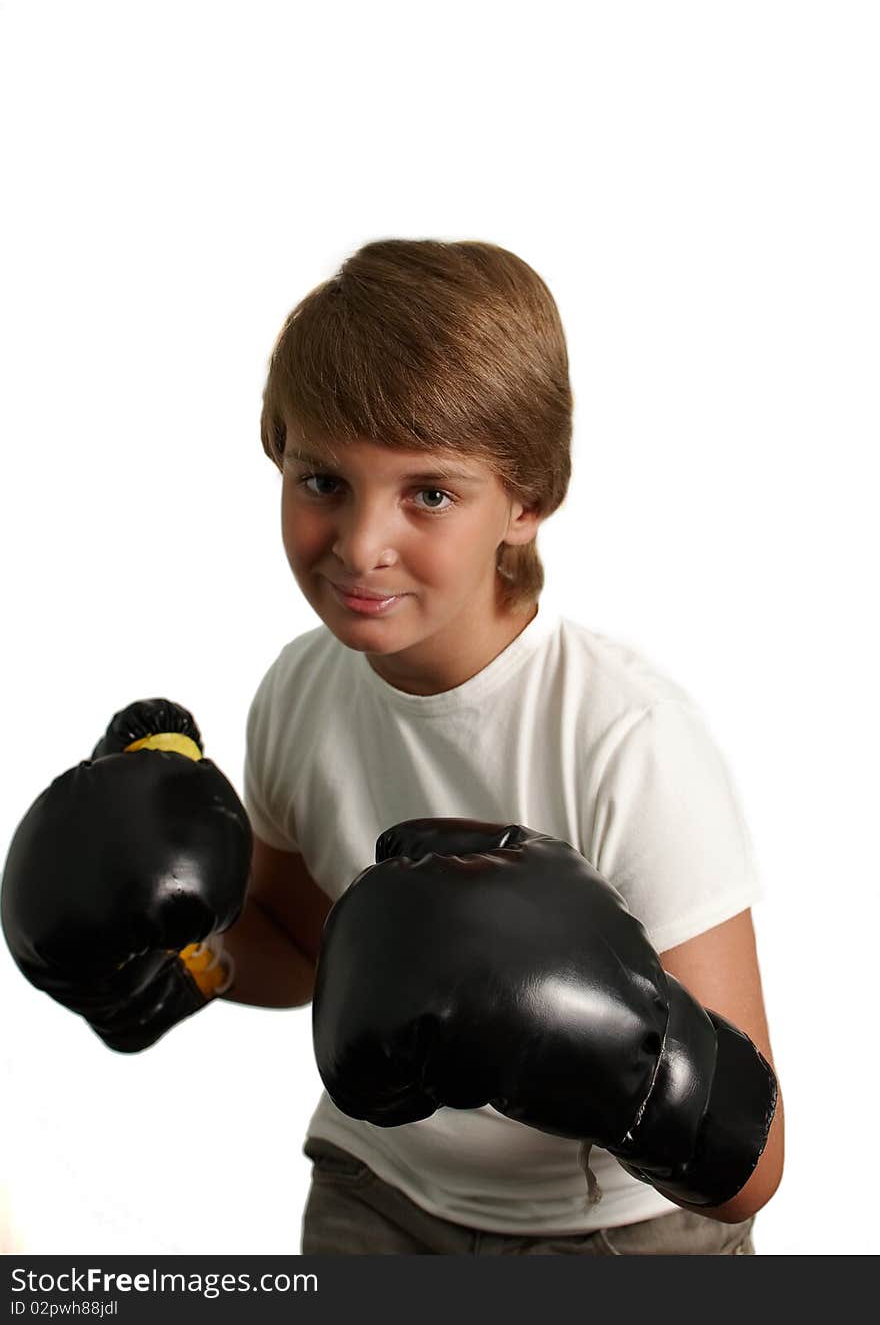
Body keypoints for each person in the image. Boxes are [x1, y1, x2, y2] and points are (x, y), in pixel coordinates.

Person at [215, 238, 784, 1255]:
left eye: (427, 493)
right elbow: (293, 949)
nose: (358, 544)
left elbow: (753, 1167)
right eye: (322, 482)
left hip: (619, 1234)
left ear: (525, 503)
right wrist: (174, 951)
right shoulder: (301, 688)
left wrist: (584, 1029)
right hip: (376, 1197)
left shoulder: (625, 738)